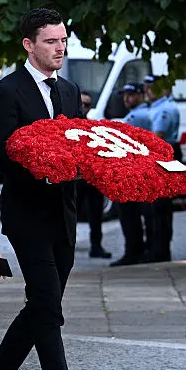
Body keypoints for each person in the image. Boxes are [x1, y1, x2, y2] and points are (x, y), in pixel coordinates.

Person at [0, 8, 101, 370]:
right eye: (51, 41)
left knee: (43, 307)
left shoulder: (69, 91)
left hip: (63, 215)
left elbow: (82, 145)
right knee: (47, 304)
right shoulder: (7, 92)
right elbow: (6, 155)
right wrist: (45, 170)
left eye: (63, 40)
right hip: (28, 214)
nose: (60, 48)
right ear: (29, 45)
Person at [110, 83, 154, 267]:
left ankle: (133, 252)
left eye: (131, 95)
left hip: (132, 172)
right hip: (140, 170)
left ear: (140, 96)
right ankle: (140, 250)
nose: (126, 99)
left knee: (129, 214)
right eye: (124, 95)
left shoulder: (137, 116)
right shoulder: (141, 113)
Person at [146, 76, 180, 262]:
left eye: (152, 88)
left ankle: (160, 250)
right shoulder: (158, 107)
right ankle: (158, 248)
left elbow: (157, 137)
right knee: (159, 208)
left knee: (159, 208)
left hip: (164, 157)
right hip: (165, 156)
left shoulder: (164, 109)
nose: (148, 91)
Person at [76, 91, 111, 259]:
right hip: (74, 178)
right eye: (81, 103)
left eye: (87, 104)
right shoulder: (67, 125)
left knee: (96, 213)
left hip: (91, 177)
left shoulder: (92, 127)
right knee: (68, 213)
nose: (84, 107)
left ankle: (96, 246)